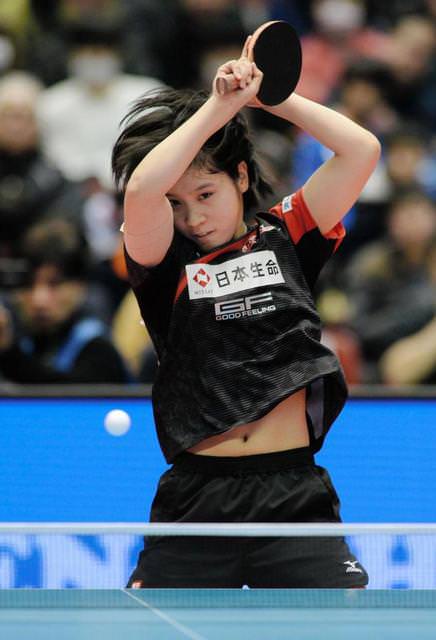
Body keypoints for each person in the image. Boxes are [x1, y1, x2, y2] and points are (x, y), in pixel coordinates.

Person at [111, 36, 380, 588]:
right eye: (177, 204)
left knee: (347, 622)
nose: (193, 218)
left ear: (239, 176)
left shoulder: (287, 234)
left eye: (205, 194)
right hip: (197, 498)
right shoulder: (164, 264)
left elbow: (361, 150)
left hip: (292, 492)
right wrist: (219, 106)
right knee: (152, 625)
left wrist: (270, 98)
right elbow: (141, 190)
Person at [0, 218, 131, 384]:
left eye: (54, 284)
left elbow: (71, 394)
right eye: (29, 284)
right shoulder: (22, 339)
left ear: (80, 285)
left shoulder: (100, 351)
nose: (39, 300)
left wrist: (9, 354)